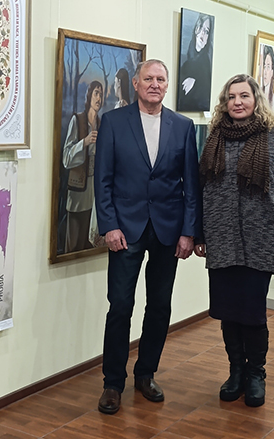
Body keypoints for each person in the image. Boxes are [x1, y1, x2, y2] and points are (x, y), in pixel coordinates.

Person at [94, 59, 201, 414]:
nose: (155, 84)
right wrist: (109, 225)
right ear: (137, 84)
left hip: (168, 230)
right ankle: (112, 383)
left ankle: (146, 374)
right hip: (125, 229)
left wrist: (188, 232)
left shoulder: (182, 126)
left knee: (159, 306)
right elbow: (102, 180)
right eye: (148, 78)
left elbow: (191, 185)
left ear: (167, 86)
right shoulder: (113, 122)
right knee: (120, 306)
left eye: (161, 79)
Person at [195, 74, 274, 407]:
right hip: (221, 236)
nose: (237, 102)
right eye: (231, 97)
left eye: (244, 96)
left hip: (260, 237)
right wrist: (200, 233)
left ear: (256, 100)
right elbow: (200, 188)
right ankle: (236, 371)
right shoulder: (214, 138)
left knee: (252, 312)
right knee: (228, 311)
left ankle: (256, 374)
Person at [62, 80, 103, 253]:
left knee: (90, 244)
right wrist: (84, 143)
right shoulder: (77, 120)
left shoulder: (101, 123)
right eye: (96, 93)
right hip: (78, 193)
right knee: (74, 244)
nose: (99, 98)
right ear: (89, 95)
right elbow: (66, 158)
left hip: (95, 194)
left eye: (101, 94)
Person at [177, 13, 213, 112]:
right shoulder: (186, 63)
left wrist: (196, 81)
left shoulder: (205, 64)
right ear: (196, 29)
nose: (202, 34)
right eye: (200, 28)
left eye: (206, 31)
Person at [261, 45, 274, 110]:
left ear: (272, 71)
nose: (265, 72)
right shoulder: (258, 96)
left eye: (268, 67)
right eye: (264, 66)